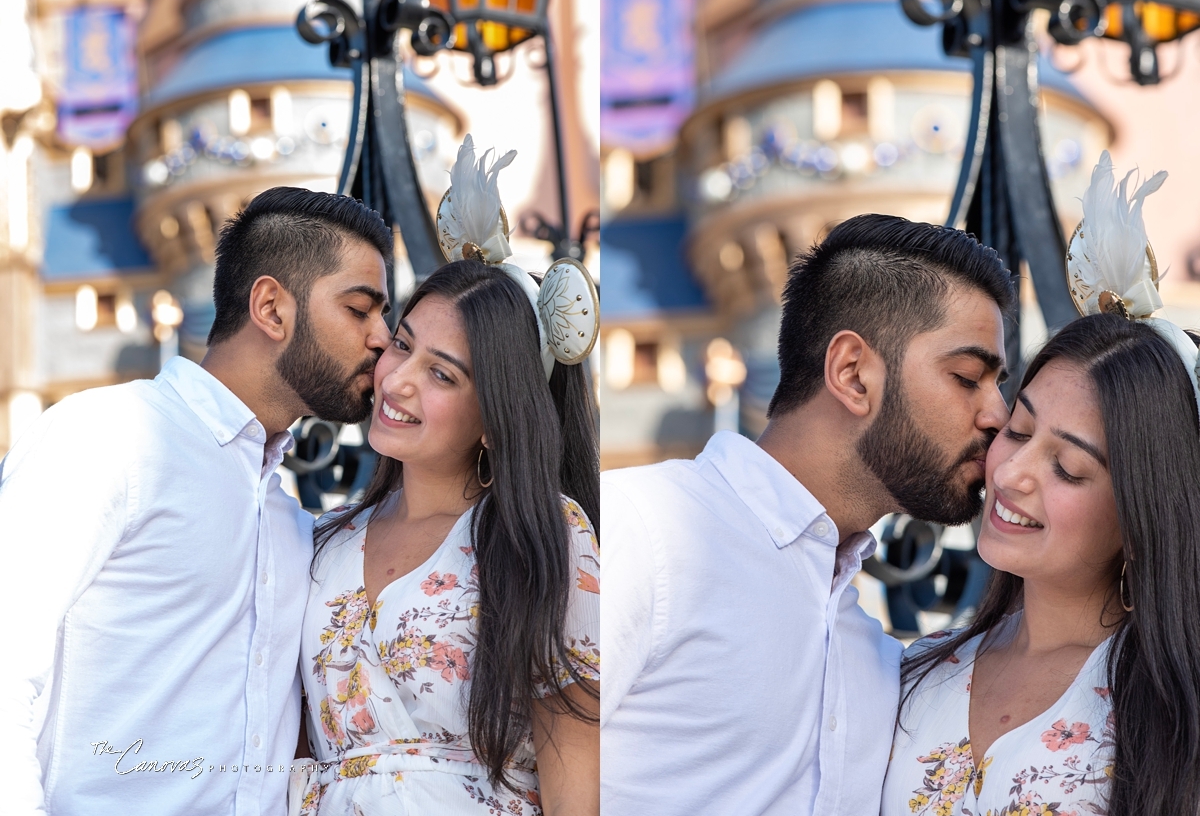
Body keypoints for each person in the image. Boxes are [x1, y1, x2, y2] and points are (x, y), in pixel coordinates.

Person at [601, 213, 1016, 815]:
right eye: (967, 377)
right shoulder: (642, 529)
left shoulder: (873, 656)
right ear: (852, 373)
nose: (997, 416)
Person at [0, 187, 393, 816]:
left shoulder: (289, 520)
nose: (382, 338)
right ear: (271, 307)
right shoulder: (107, 436)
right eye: (359, 309)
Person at [883, 153, 1200, 816]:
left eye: (1069, 467)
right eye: (1020, 431)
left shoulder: (1171, 716)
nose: (1013, 472)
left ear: (1142, 512)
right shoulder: (911, 674)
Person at [294, 138, 600, 816]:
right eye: (402, 343)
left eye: (441, 373)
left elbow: (579, 774)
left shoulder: (539, 535)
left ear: (495, 416)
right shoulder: (320, 543)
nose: (396, 380)